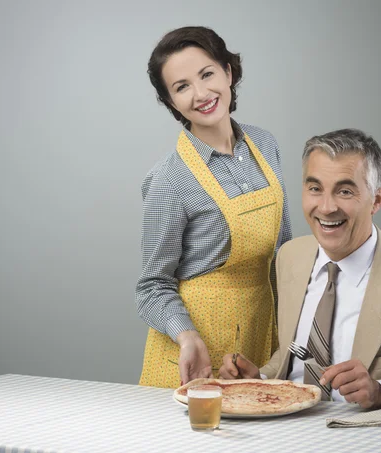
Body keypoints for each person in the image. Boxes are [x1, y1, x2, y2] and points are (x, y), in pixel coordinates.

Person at [219, 128, 381, 412]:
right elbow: (292, 355)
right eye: (315, 188)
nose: (327, 207)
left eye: (345, 191)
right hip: (287, 431)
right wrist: (260, 379)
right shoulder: (290, 257)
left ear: (377, 200)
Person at [136, 26, 292, 389]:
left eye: (207, 74)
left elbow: (283, 252)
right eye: (182, 86)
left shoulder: (265, 145)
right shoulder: (169, 180)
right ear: (171, 102)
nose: (201, 93)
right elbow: (151, 287)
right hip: (192, 354)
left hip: (258, 343)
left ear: (228, 72)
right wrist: (187, 336)